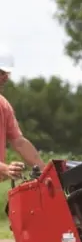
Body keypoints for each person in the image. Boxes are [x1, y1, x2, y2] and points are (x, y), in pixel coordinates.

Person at [0, 44, 45, 180]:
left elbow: (19, 142)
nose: (6, 78)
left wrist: (47, 174)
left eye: (7, 74)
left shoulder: (3, 105)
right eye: (2, 73)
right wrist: (5, 169)